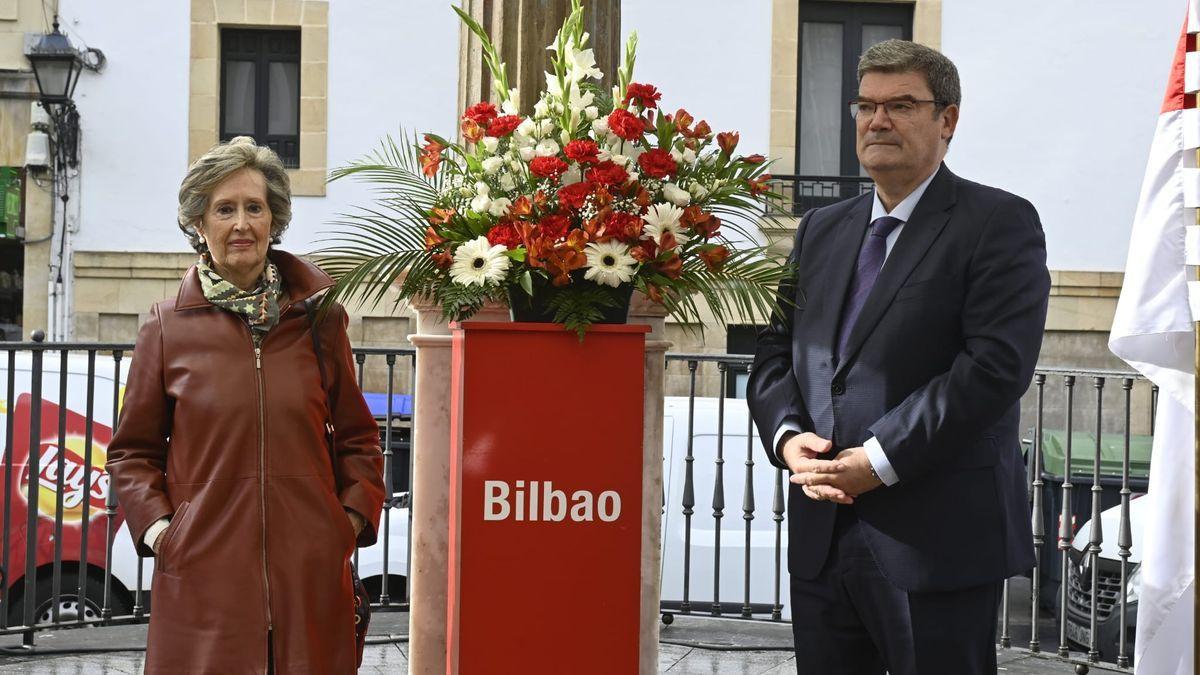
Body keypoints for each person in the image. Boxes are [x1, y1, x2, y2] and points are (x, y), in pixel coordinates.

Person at [747, 40, 1050, 674]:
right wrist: (788, 437)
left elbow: (992, 368)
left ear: (948, 120)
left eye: (901, 104)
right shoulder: (821, 228)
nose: (877, 120)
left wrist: (879, 460)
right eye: (866, 105)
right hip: (823, 534)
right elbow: (777, 351)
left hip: (935, 541)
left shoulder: (998, 222)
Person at [106, 136, 385, 674]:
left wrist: (344, 523)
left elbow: (359, 438)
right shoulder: (166, 329)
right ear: (199, 225)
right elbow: (132, 454)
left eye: (254, 208)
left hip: (309, 582)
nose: (241, 224)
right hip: (203, 583)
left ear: (274, 220)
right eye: (224, 209)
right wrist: (164, 532)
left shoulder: (318, 321)